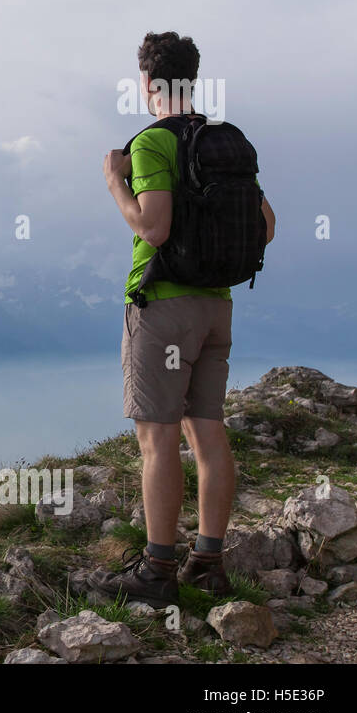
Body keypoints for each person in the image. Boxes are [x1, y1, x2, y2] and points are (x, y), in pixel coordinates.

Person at [91, 31, 276, 607]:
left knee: (158, 440)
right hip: (216, 306)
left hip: (162, 306)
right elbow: (266, 224)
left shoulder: (152, 142)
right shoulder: (223, 144)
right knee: (209, 431)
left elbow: (153, 227)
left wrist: (114, 182)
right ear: (191, 79)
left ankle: (157, 573)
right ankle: (209, 563)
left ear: (147, 83)